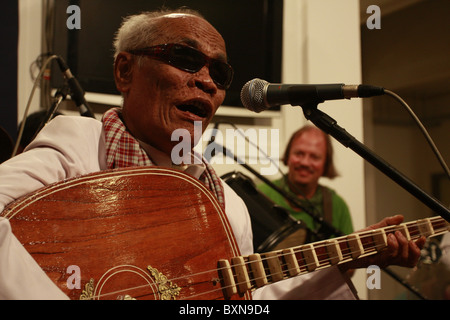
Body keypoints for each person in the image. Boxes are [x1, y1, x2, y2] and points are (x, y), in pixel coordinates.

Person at [0, 8, 424, 300]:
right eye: (185, 59)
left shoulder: (227, 205)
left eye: (219, 74)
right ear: (125, 71)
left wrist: (349, 260)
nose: (205, 81)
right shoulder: (76, 145)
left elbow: (241, 297)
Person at [258, 125, 353, 241]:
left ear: (326, 164)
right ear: (288, 156)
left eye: (314, 157)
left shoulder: (337, 206)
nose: (305, 162)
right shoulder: (262, 195)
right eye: (299, 154)